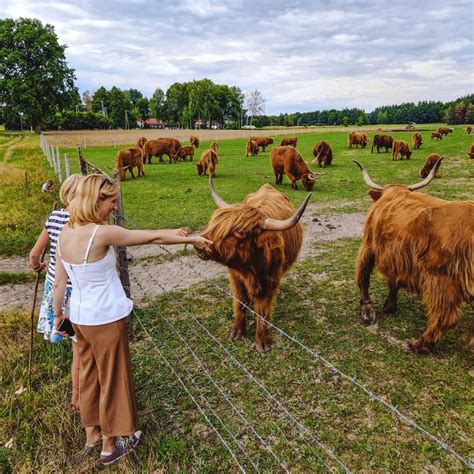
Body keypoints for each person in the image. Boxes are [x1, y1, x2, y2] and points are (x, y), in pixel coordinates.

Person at [52, 174, 212, 466]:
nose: (114, 206)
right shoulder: (101, 234)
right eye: (111, 201)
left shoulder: (65, 233)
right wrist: (191, 238)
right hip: (105, 319)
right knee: (113, 378)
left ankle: (92, 435)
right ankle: (111, 445)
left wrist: (58, 316)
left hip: (80, 318)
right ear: (96, 200)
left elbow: (59, 284)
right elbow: (149, 236)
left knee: (89, 375)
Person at [29, 174, 83, 410]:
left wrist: (37, 265)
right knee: (79, 349)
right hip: (77, 290)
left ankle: (77, 398)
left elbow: (34, 254)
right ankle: (77, 398)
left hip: (56, 288)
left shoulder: (54, 218)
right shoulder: (83, 221)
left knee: (76, 346)